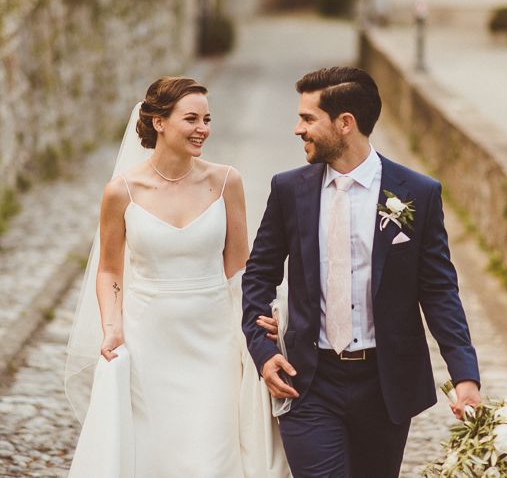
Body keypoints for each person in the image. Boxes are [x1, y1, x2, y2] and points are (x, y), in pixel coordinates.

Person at [242, 67, 481, 478]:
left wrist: (465, 377)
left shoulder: (417, 194)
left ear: (345, 123)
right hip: (308, 380)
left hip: (384, 385)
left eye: (308, 118)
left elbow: (440, 291)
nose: (298, 129)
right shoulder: (288, 190)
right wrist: (264, 354)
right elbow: (258, 275)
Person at [65, 76, 290, 478]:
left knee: (213, 452)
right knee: (156, 454)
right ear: (159, 122)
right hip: (148, 337)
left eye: (207, 119)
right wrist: (112, 328)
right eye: (191, 119)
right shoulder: (122, 191)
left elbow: (239, 266)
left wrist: (257, 320)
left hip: (214, 339)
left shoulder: (225, 182)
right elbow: (110, 269)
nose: (203, 128)